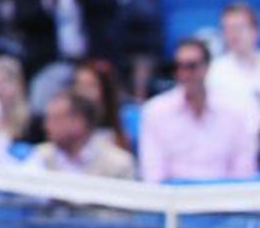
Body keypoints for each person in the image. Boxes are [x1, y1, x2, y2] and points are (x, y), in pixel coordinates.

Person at [140, 39, 260, 182]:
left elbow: (243, 173)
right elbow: (153, 175)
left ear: (207, 67)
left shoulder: (234, 112)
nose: (184, 74)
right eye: (178, 66)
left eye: (191, 66)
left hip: (225, 199)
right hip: (173, 200)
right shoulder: (155, 111)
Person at [24, 88, 137, 179]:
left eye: (55, 119)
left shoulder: (119, 164)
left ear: (78, 122)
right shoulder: (41, 156)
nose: (46, 126)